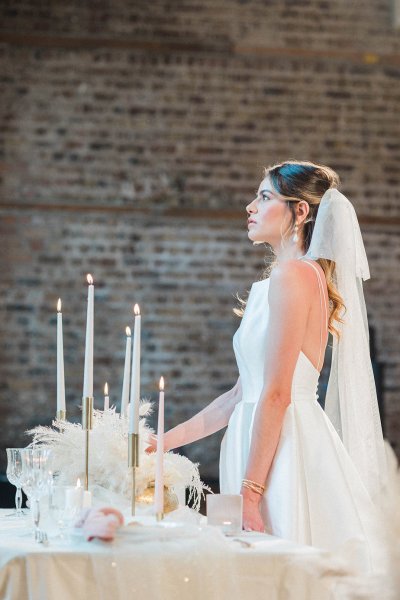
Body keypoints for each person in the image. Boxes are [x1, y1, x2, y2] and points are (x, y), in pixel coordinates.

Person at [146, 160, 389, 573]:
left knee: (278, 568)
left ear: (300, 212)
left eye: (264, 197)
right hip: (262, 439)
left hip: (281, 452)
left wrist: (251, 493)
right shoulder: (291, 277)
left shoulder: (294, 276)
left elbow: (276, 394)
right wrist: (161, 444)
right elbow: (242, 394)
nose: (249, 207)